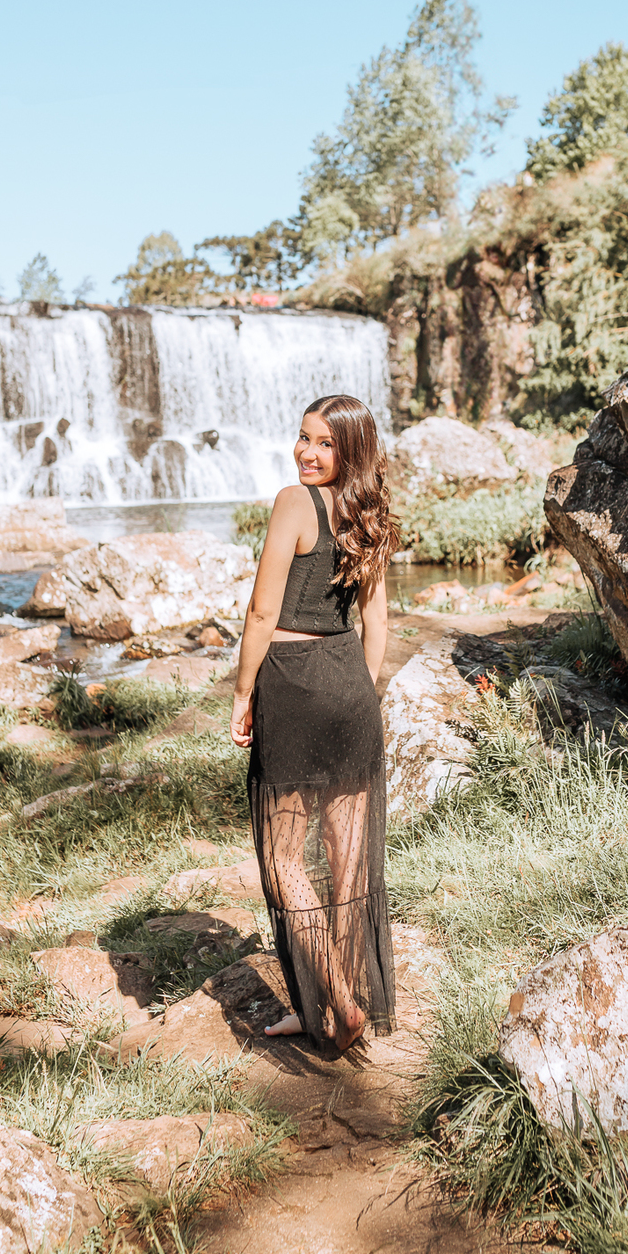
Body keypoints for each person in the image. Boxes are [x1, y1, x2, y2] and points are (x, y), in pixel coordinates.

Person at [230, 393, 399, 1052]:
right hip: (350, 687)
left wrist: (244, 692)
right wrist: (363, 691)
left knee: (283, 859)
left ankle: (334, 999)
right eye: (303, 437)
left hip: (294, 687)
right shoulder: (370, 512)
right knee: (347, 861)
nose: (306, 452)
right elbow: (377, 624)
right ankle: (342, 996)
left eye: (324, 443)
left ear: (349, 451)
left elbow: (260, 613)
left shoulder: (293, 504)